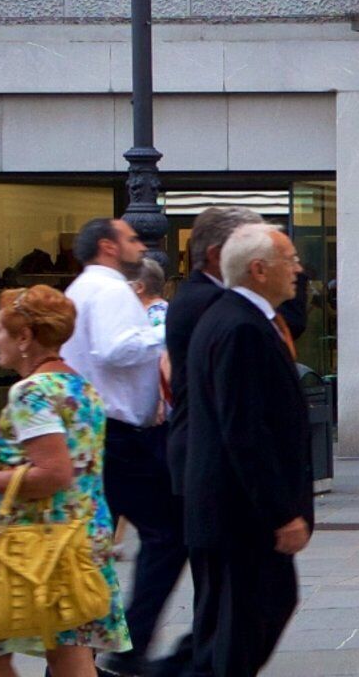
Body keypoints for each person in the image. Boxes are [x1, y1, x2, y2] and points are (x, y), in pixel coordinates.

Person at [0, 285, 127, 677]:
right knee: (69, 656)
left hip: (42, 545)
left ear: (25, 338)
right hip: (83, 536)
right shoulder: (80, 386)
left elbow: (54, 471)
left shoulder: (31, 392)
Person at [174, 226, 317, 677]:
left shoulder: (237, 318)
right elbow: (244, 430)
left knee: (228, 631)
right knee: (243, 628)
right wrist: (281, 513)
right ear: (259, 270)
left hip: (228, 512)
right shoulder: (240, 327)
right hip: (241, 515)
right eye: (289, 260)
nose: (298, 270)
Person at [137, 204, 261, 677]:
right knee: (224, 583)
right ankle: (187, 664)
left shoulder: (204, 298)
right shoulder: (211, 304)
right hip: (203, 456)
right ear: (216, 254)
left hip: (195, 452)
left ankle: (192, 660)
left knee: (221, 584)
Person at [61, 219, 173, 670]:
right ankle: (125, 647)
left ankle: (87, 650)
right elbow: (112, 349)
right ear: (109, 247)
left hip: (105, 431)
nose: (140, 244)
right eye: (131, 239)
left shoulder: (84, 289)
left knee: (97, 541)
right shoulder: (108, 291)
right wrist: (169, 333)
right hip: (119, 432)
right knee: (169, 535)